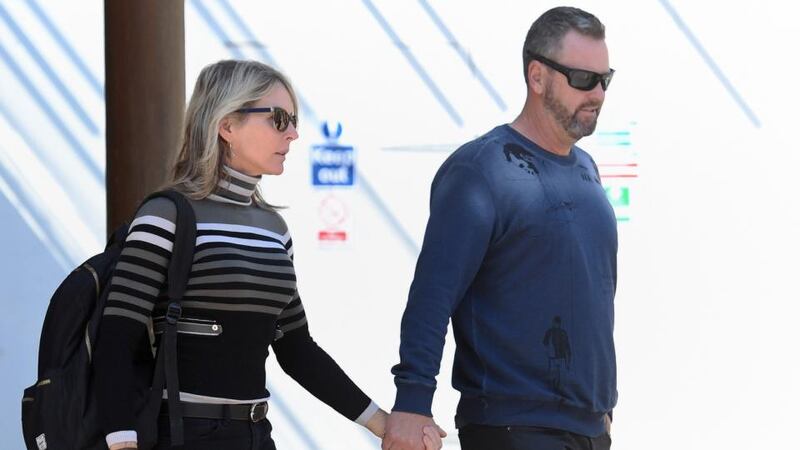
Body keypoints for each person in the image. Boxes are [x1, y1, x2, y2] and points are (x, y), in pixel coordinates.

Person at [93, 60, 443, 450]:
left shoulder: (273, 229)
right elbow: (115, 340)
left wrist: (384, 424)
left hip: (256, 435)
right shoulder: (165, 216)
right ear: (226, 125)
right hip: (179, 434)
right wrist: (121, 442)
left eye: (294, 120)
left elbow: (296, 349)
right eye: (278, 119)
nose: (293, 134)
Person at [383, 6, 618, 450]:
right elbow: (432, 297)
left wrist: (601, 411)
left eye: (605, 79)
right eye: (584, 79)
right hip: (513, 427)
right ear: (537, 76)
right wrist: (412, 402)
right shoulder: (480, 170)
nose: (598, 94)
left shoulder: (587, 169)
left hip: (587, 429)